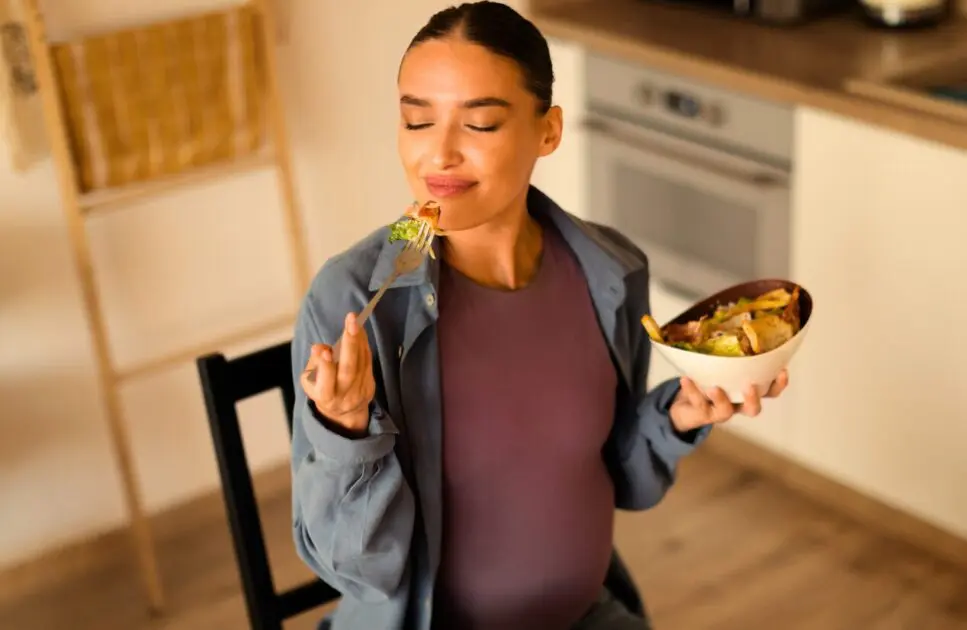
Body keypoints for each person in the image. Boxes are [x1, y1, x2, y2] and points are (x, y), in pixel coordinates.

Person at [289, 2, 789, 630]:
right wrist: (345, 432)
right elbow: (354, 570)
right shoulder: (351, 301)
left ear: (547, 131)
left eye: (480, 125)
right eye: (417, 121)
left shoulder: (611, 270)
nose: (438, 155)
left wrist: (681, 415)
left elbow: (622, 480)